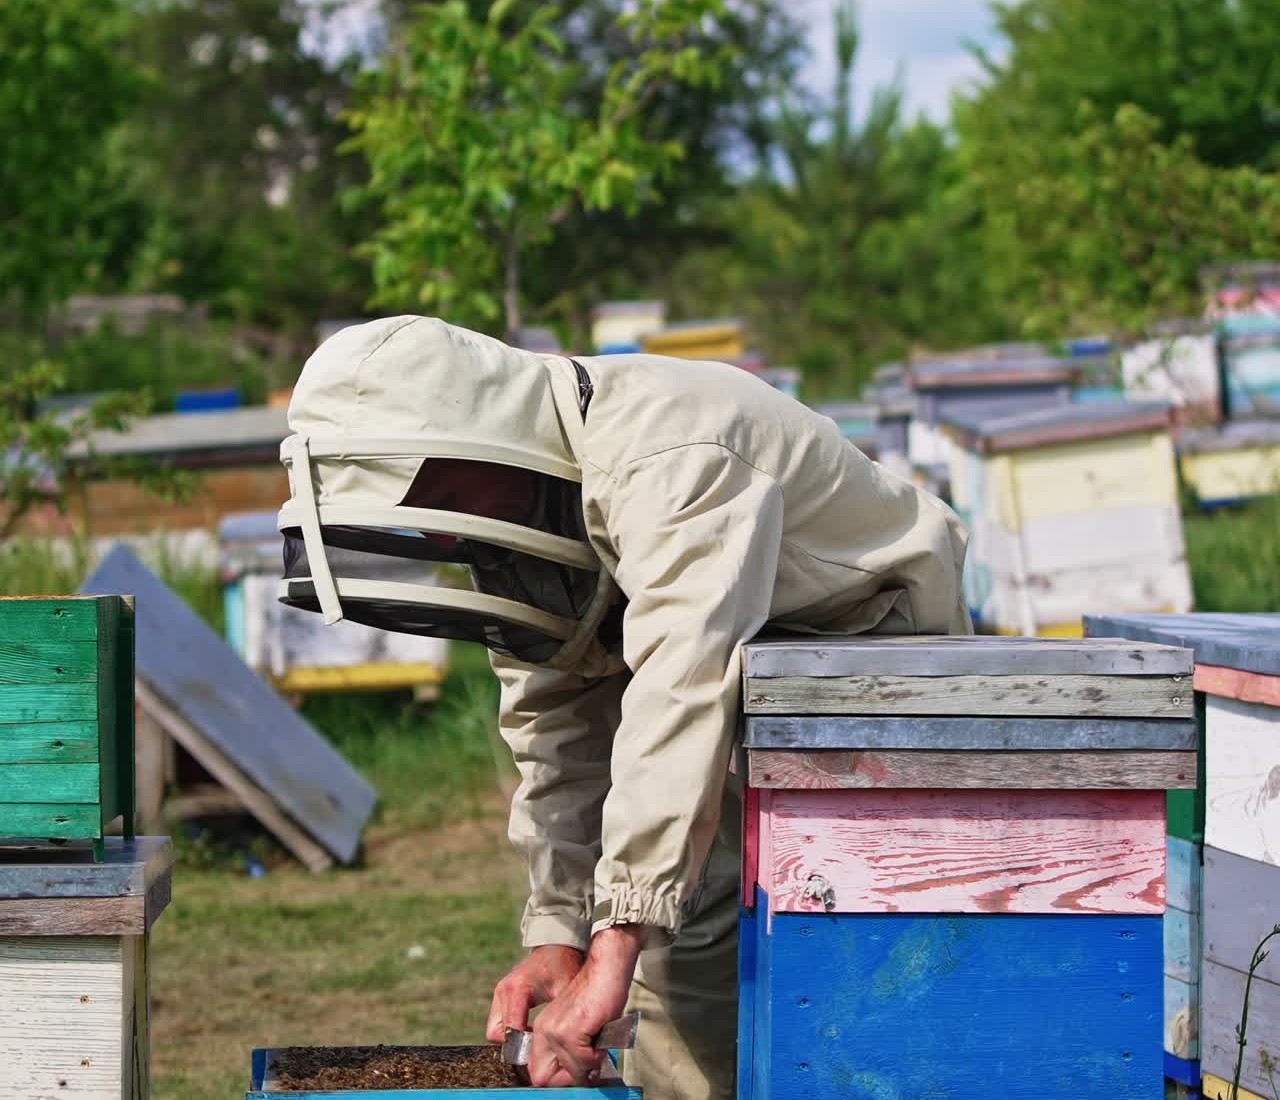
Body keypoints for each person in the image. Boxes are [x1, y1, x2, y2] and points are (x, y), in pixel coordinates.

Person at [276, 316, 970, 1100]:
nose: (431, 519)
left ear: (489, 433)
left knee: (820, 935)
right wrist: (559, 932)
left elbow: (682, 684)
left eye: (436, 484)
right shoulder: (516, 517)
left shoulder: (669, 452)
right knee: (679, 918)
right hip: (741, 664)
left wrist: (614, 944)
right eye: (410, 497)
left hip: (873, 642)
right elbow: (555, 734)